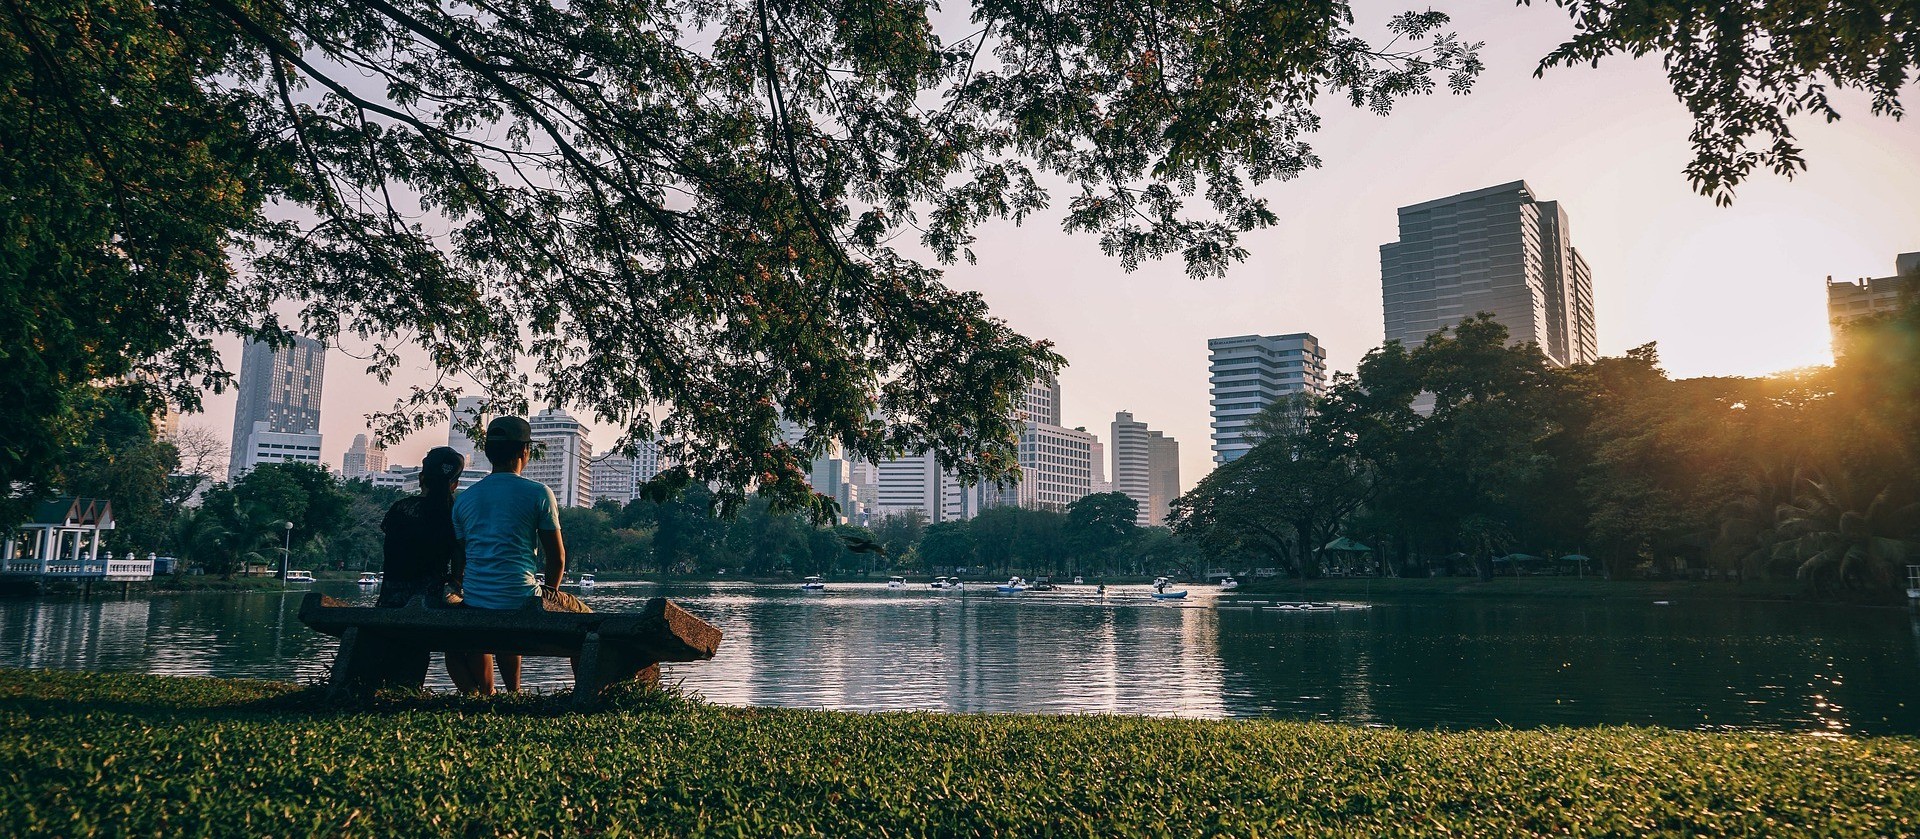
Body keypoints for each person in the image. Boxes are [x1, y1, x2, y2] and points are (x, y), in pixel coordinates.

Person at [448, 415, 585, 693]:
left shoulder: (464, 499)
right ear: (525, 451)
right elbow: (557, 557)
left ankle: (510, 693)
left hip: (476, 600)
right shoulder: (538, 493)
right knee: (588, 623)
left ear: (487, 453)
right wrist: (550, 594)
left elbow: (461, 558)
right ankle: (586, 693)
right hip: (522, 598)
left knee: (504, 609)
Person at [376, 445, 465, 687]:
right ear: (454, 484)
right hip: (431, 600)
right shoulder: (454, 514)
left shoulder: (401, 509)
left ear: (421, 478)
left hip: (391, 600)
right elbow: (459, 555)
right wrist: (455, 581)